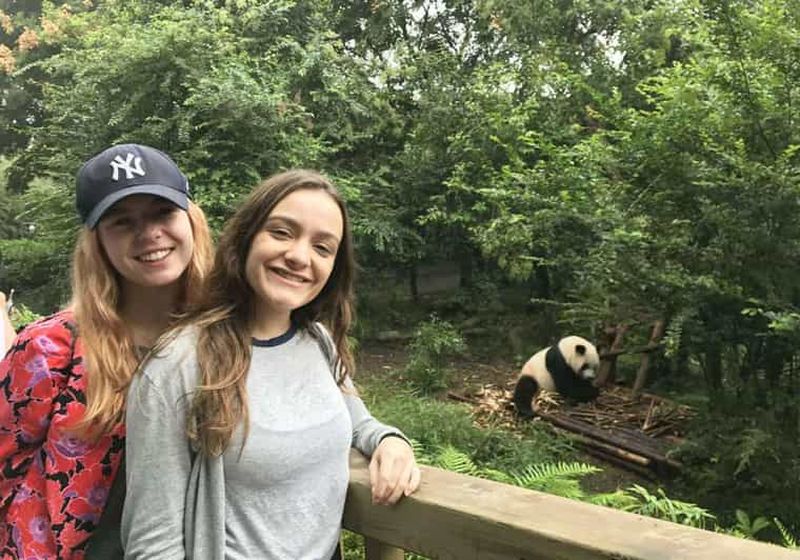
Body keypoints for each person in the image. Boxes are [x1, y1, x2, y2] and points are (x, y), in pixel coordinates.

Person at [122, 169, 421, 560]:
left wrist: (389, 440)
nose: (299, 257)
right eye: (281, 232)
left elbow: (359, 421)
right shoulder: (176, 367)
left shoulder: (318, 342)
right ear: (246, 239)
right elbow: (152, 544)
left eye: (322, 247)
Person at [0, 144, 213, 559]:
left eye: (162, 212)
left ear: (191, 219)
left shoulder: (226, 337)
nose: (148, 232)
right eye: (122, 221)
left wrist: (378, 437)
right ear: (96, 243)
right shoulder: (51, 347)